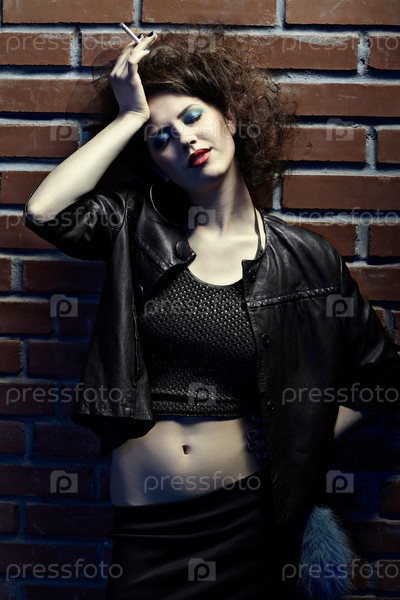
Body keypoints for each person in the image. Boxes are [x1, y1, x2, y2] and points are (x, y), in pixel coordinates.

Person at [24, 31, 400, 599]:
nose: (184, 138)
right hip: (147, 532)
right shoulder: (134, 226)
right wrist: (130, 116)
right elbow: (44, 212)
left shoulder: (306, 258)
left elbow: (380, 379)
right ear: (156, 164)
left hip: (251, 524)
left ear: (231, 116)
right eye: (161, 138)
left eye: (194, 116)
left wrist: (299, 431)